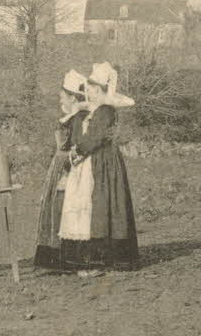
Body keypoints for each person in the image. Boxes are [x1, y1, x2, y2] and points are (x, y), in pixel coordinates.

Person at [57, 62, 140, 275]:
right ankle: (85, 260)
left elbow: (95, 137)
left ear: (103, 91)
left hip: (103, 163)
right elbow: (76, 136)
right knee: (83, 209)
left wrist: (78, 151)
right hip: (85, 164)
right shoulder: (87, 112)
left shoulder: (106, 111)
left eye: (95, 90)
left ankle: (101, 260)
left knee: (101, 208)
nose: (91, 94)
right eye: (90, 90)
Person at [33, 70, 89, 272]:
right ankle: (53, 257)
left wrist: (66, 173)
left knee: (63, 210)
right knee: (54, 209)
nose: (60, 100)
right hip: (59, 169)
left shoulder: (79, 119)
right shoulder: (69, 118)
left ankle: (65, 258)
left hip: (70, 172)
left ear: (72, 98)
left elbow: (76, 149)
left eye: (62, 96)